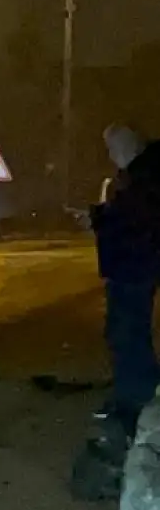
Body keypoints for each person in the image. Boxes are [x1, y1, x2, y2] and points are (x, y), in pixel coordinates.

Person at [92, 125, 160, 438]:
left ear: (126, 148)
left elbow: (135, 221)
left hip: (134, 267)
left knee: (128, 333)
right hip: (132, 266)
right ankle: (132, 397)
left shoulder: (144, 177)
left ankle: (135, 404)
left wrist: (100, 217)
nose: (110, 156)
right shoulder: (142, 174)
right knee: (124, 332)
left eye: (111, 148)